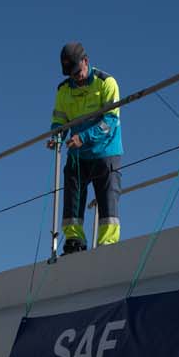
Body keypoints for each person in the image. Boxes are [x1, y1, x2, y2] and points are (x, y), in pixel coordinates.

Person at [49, 42, 122, 253]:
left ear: (86, 62)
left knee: (107, 199)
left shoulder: (106, 83)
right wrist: (57, 137)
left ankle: (108, 245)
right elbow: (59, 121)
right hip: (77, 154)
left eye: (77, 71)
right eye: (71, 74)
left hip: (105, 152)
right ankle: (74, 241)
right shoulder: (63, 90)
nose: (76, 77)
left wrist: (85, 137)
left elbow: (110, 121)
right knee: (72, 197)